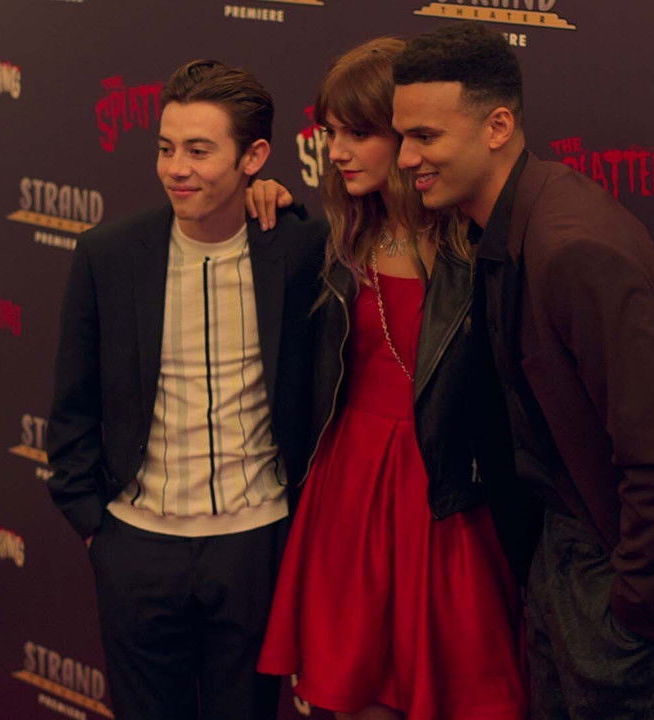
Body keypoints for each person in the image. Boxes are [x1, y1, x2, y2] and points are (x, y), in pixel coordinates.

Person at [391, 23, 654, 720]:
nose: (406, 157)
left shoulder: (572, 248)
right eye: (402, 137)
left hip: (610, 573)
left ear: (498, 127)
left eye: (425, 136)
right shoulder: (506, 226)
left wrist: (632, 613)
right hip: (560, 550)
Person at [252, 37, 528, 720]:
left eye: (359, 133)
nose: (337, 151)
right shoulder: (338, 241)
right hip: (349, 485)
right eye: (330, 133)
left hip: (444, 490)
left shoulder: (474, 246)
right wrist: (260, 198)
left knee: (454, 688)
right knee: (353, 688)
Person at [45, 59, 327, 720]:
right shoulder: (109, 255)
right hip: (136, 546)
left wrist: (285, 199)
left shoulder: (298, 250)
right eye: (166, 149)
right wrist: (95, 528)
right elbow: (72, 403)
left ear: (253, 157)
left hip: (256, 544)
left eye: (200, 151)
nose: (177, 169)